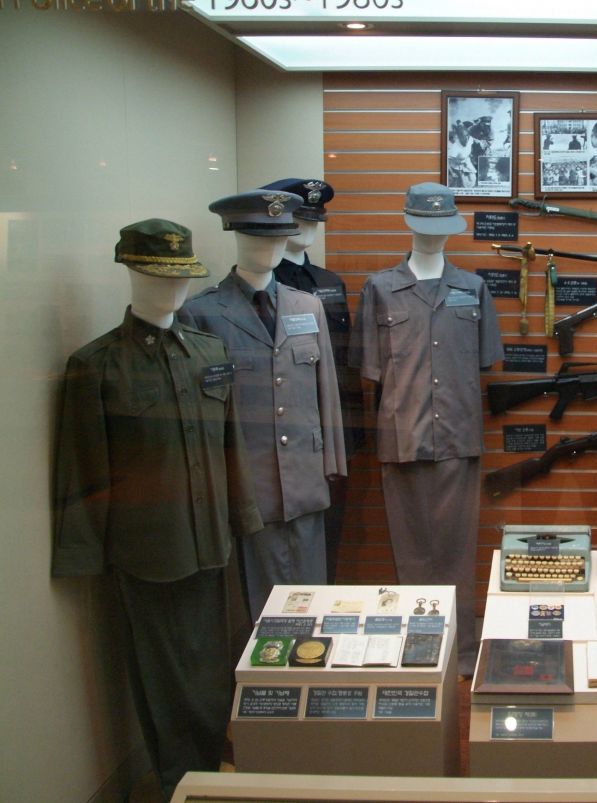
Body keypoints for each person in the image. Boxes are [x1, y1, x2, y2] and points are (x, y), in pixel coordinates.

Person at [53, 220, 263, 800]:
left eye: (178, 277)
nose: (171, 289)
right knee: (161, 679)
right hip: (148, 551)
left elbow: (231, 446)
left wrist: (242, 516)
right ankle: (178, 782)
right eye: (155, 275)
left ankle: (208, 773)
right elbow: (83, 468)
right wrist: (84, 554)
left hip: (210, 543)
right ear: (129, 272)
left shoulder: (210, 353)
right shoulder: (97, 365)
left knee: (215, 666)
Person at [351, 183, 503, 676]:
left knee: (458, 551)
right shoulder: (378, 290)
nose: (434, 237)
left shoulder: (473, 289)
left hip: (458, 436)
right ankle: (418, 652)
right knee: (411, 552)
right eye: (425, 225)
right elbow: (370, 369)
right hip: (403, 437)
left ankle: (460, 653)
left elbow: (484, 358)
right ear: (408, 223)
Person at [180, 190, 346, 622]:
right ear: (236, 235)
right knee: (257, 610)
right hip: (247, 486)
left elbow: (325, 390)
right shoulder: (202, 314)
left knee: (314, 606)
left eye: (277, 237)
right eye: (258, 237)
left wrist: (331, 463)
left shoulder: (307, 306)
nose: (270, 248)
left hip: (305, 483)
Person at [260, 178, 364, 584]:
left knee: (328, 541)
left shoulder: (329, 282)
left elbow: (345, 364)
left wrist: (351, 434)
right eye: (300, 219)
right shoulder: (267, 288)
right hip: (283, 433)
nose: (308, 228)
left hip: (333, 431)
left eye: (313, 220)